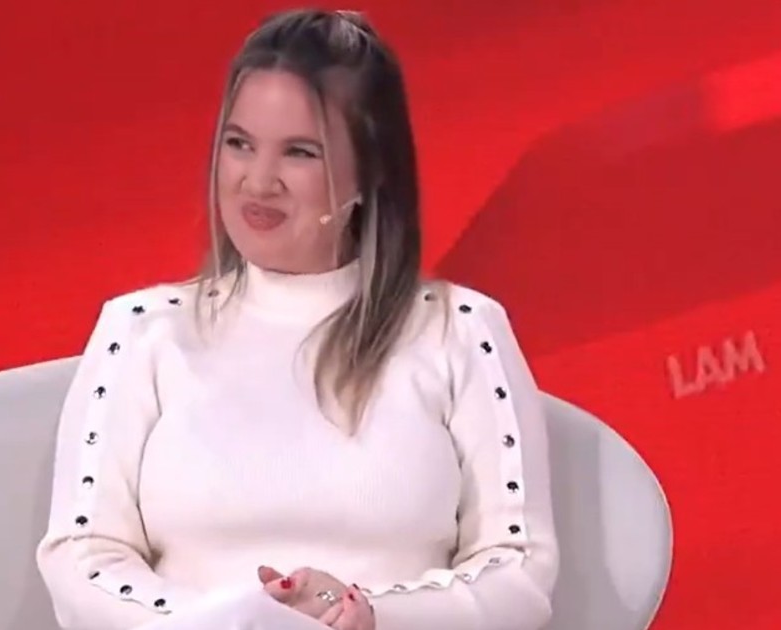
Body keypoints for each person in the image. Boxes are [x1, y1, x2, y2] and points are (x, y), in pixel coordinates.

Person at [36, 8, 558, 630]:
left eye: (300, 153)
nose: (258, 182)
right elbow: (82, 559)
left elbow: (518, 573)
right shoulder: (141, 329)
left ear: (372, 170)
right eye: (239, 144)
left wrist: (368, 615)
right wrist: (235, 621)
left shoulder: (463, 331)